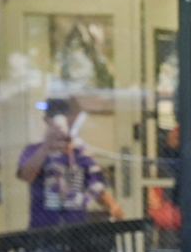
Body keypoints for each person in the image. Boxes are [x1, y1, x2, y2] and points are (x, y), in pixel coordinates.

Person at [15, 96, 124, 228]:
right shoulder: (34, 151)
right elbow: (26, 176)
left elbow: (96, 188)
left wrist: (112, 206)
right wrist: (47, 145)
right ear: (46, 120)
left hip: (75, 232)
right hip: (43, 232)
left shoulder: (80, 154)